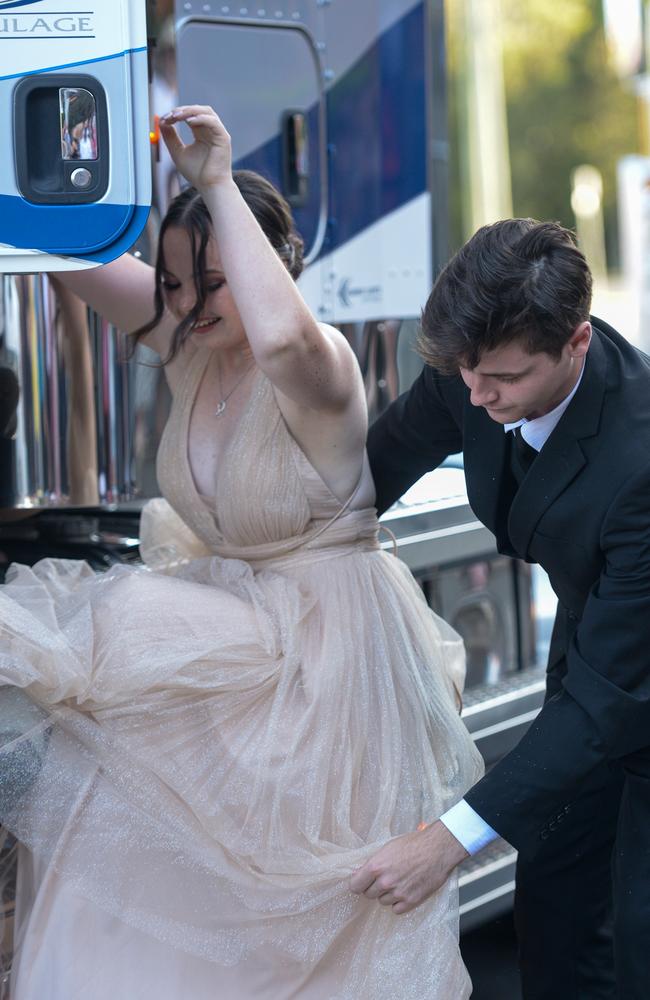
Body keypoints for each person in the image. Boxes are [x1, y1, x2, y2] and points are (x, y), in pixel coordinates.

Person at [0, 106, 483, 999]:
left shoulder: (319, 367)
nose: (188, 304)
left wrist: (217, 179)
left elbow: (283, 336)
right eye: (177, 284)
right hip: (229, 647)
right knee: (124, 860)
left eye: (214, 282)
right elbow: (81, 264)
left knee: (289, 939)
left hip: (324, 666)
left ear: (272, 268)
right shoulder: (192, 347)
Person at [353, 218, 650, 1000]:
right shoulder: (475, 362)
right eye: (465, 373)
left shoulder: (641, 461)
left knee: (638, 933)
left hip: (631, 664)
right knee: (553, 911)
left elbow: (603, 706)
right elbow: (376, 467)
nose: (476, 395)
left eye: (503, 381)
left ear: (576, 342)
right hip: (595, 639)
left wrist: (447, 842)